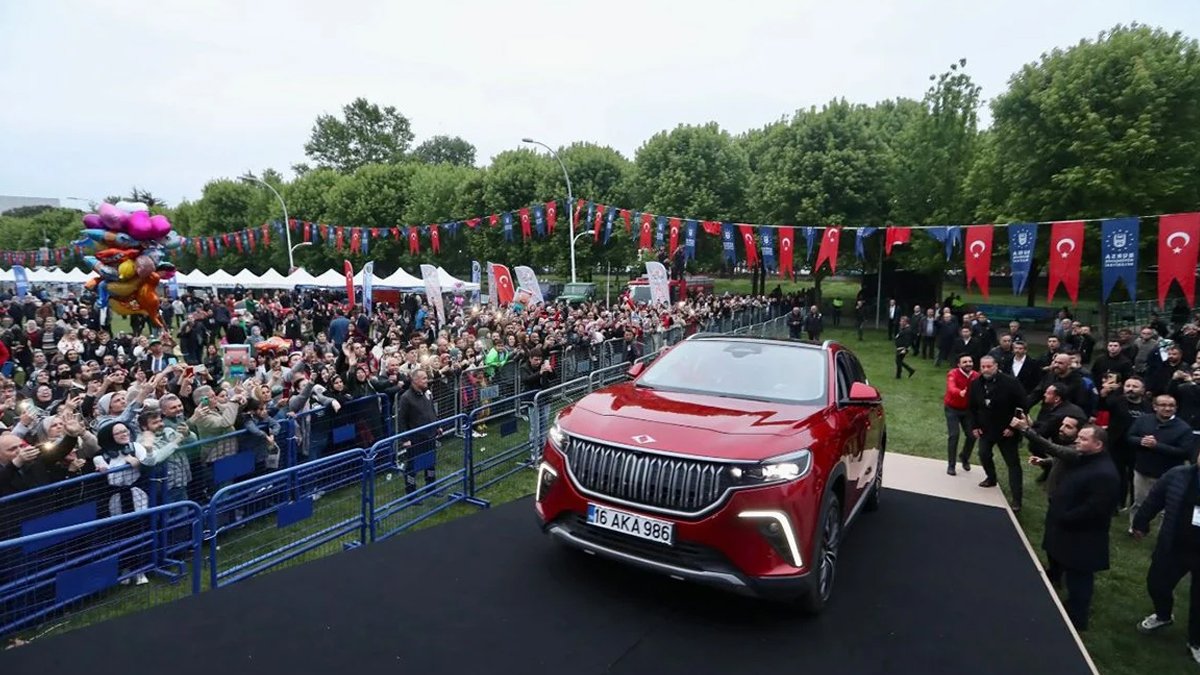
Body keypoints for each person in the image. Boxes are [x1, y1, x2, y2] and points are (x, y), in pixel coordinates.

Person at [1132, 461, 1200, 665]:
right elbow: (1155, 499)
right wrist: (1141, 522)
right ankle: (1163, 615)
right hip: (1174, 545)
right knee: (1157, 583)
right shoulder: (1178, 475)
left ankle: (1196, 641)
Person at [1127, 395, 1198, 533]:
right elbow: (1130, 437)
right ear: (1155, 407)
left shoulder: (1184, 428)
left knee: (1167, 508)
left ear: (1176, 408)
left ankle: (1163, 532)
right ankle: (1135, 527)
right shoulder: (1143, 420)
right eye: (1163, 405)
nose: (1167, 408)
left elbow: (1185, 452)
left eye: (1171, 406)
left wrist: (1157, 446)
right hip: (1142, 470)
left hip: (1168, 473)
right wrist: (1141, 441)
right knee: (1139, 502)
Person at [969, 355, 1028, 510]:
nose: (986, 370)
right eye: (983, 367)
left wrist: (1012, 427)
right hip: (986, 429)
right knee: (983, 454)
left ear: (996, 366)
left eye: (989, 366)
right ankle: (991, 478)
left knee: (1012, 463)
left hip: (1006, 431)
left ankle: (1017, 499)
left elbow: (1022, 405)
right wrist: (975, 426)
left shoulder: (1011, 383)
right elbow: (972, 407)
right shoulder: (976, 384)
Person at [395, 369, 441, 495]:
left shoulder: (427, 393)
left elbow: (432, 410)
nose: (427, 380)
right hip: (416, 439)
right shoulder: (406, 398)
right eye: (424, 378)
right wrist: (405, 439)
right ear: (415, 380)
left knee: (430, 463)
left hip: (430, 435)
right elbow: (401, 420)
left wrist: (437, 426)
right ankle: (411, 493)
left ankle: (431, 488)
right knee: (412, 467)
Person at [943, 354, 979, 476]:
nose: (968, 364)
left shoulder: (976, 375)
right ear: (959, 364)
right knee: (954, 435)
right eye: (965, 362)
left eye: (970, 361)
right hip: (952, 409)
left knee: (972, 436)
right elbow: (951, 387)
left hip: (967, 410)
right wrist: (960, 392)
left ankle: (964, 456)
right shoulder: (953, 374)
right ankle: (951, 465)